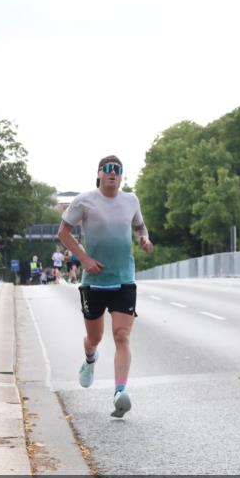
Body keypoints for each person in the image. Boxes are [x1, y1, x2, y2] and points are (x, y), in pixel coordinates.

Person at [58, 155, 153, 418]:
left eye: (118, 170)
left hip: (124, 278)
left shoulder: (131, 200)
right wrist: (84, 259)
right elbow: (63, 232)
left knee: (121, 335)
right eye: (108, 169)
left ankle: (120, 392)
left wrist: (144, 239)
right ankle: (90, 358)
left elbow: (140, 227)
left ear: (121, 176)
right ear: (99, 173)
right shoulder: (84, 200)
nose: (113, 173)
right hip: (95, 281)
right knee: (95, 338)